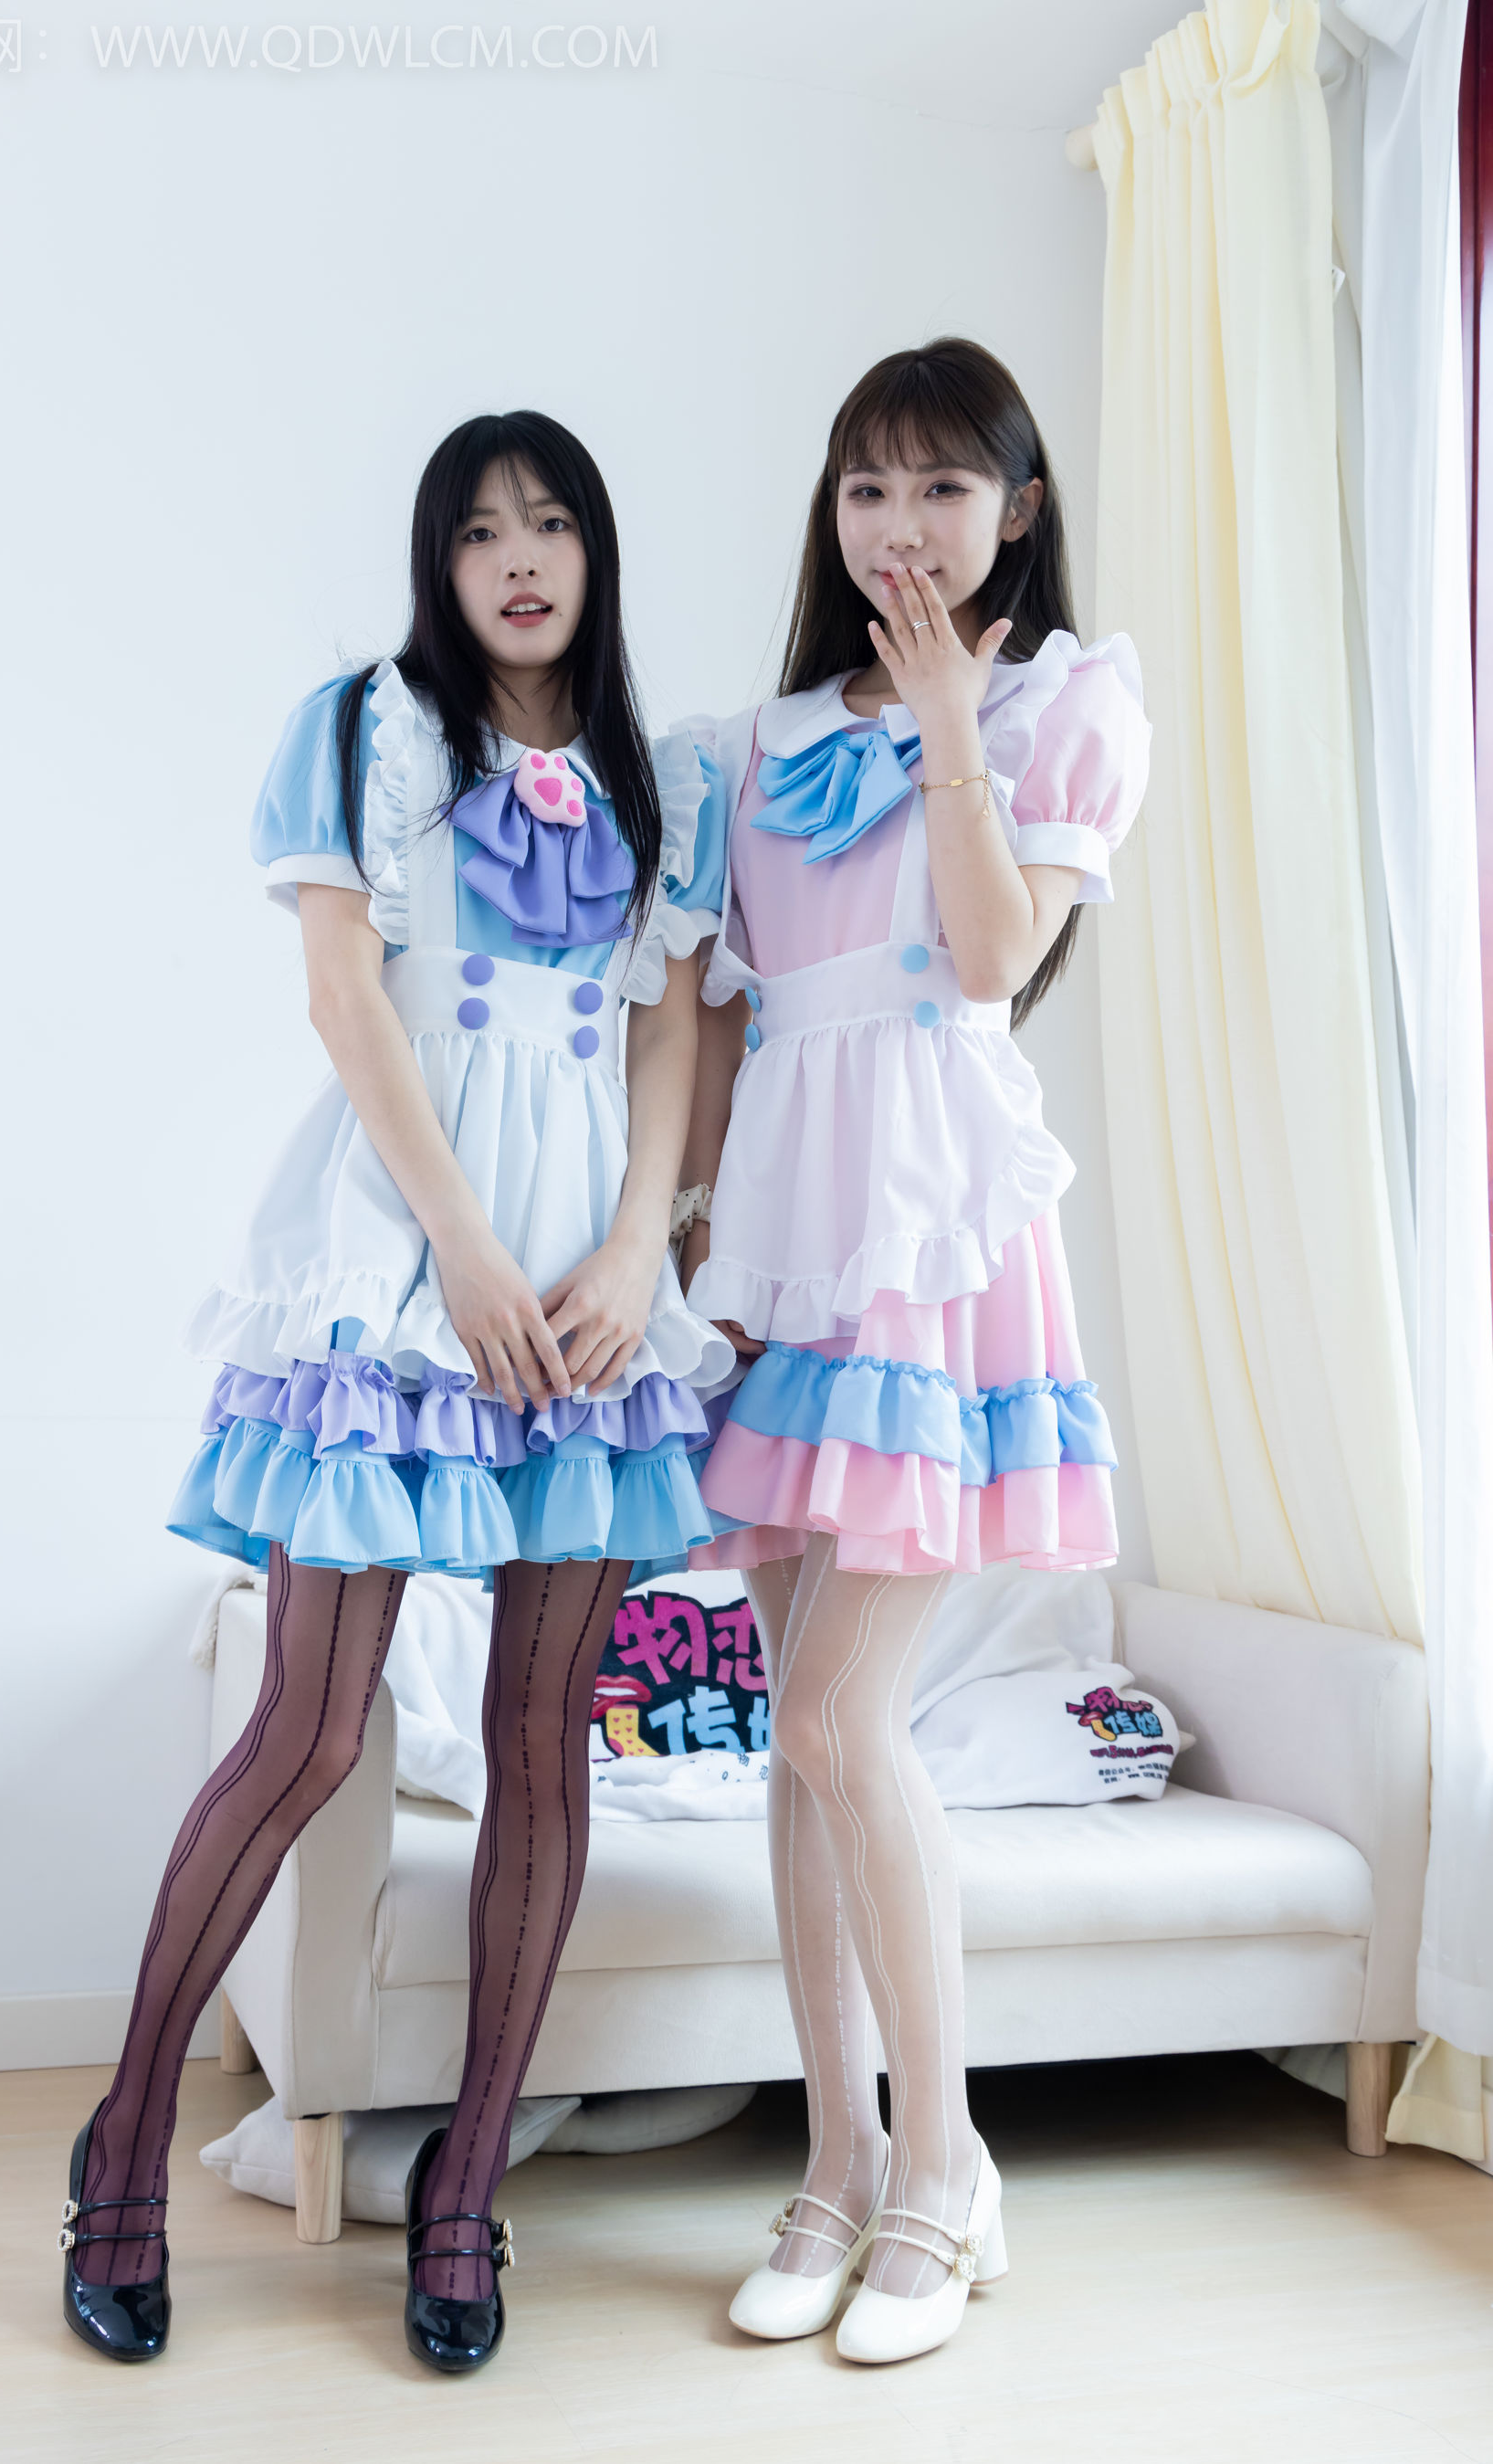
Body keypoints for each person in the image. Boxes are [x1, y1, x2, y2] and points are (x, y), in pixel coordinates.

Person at [60, 411, 731, 2374]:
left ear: (596, 553)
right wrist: (460, 1247)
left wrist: (640, 1245)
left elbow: (668, 1028)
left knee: (542, 1740)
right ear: (438, 563)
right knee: (310, 1719)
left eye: (554, 524)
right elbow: (347, 997)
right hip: (404, 1247)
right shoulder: (367, 731)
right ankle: (123, 2139)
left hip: (588, 1280)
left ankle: (463, 2186)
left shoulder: (665, 781)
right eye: (481, 530)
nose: (520, 557)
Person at [676, 338, 1149, 2365]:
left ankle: (946, 2168)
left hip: (936, 1257)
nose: (902, 526)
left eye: (945, 487)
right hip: (785, 1265)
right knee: (800, 1740)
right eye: (869, 487)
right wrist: (685, 1254)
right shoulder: (756, 743)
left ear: (1016, 510)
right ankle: (838, 2157)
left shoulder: (1061, 704)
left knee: (837, 1715)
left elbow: (989, 959)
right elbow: (724, 1020)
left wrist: (955, 722)